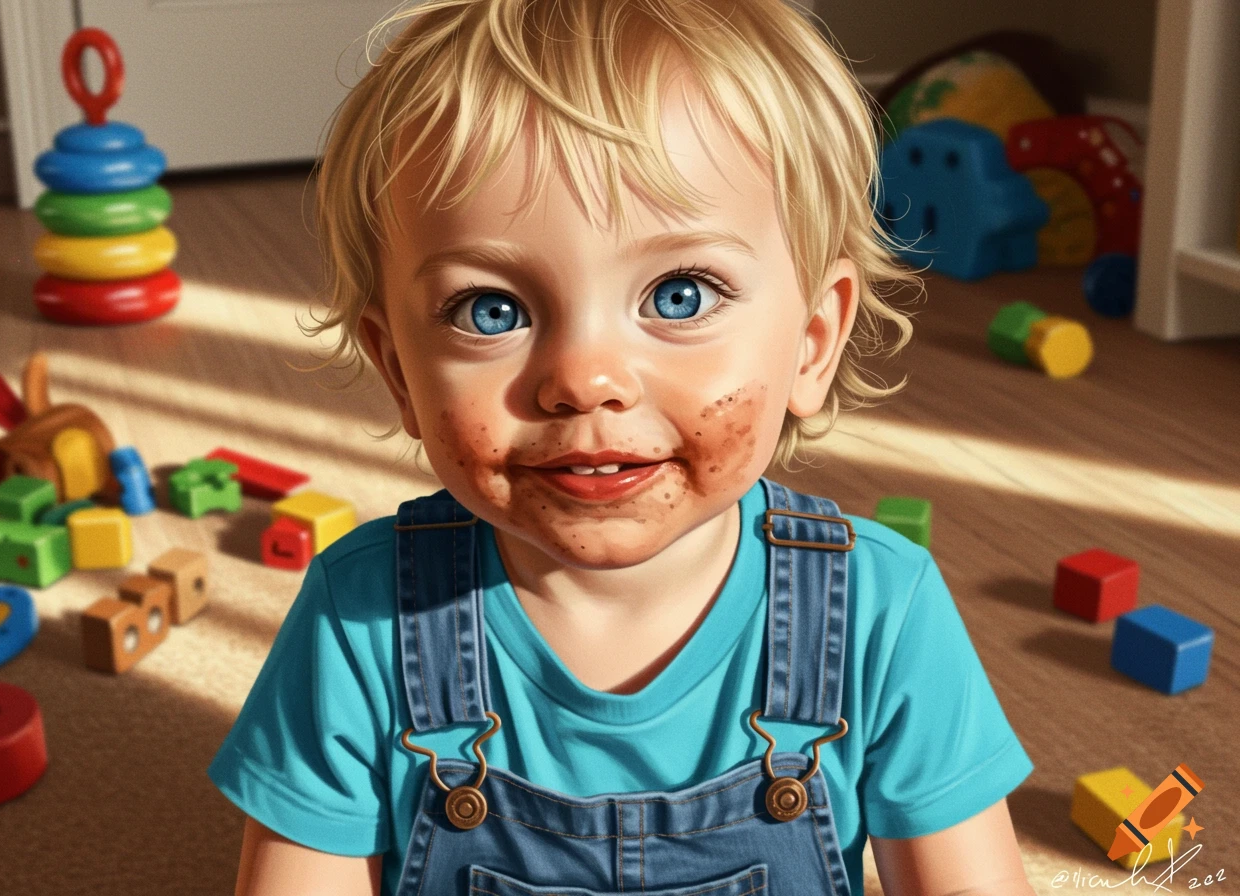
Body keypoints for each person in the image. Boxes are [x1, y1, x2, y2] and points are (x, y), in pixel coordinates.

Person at [209, 1, 1037, 893]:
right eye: (492, 310)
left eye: (680, 294)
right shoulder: (362, 617)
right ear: (401, 371)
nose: (584, 377)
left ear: (811, 341)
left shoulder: (881, 611)